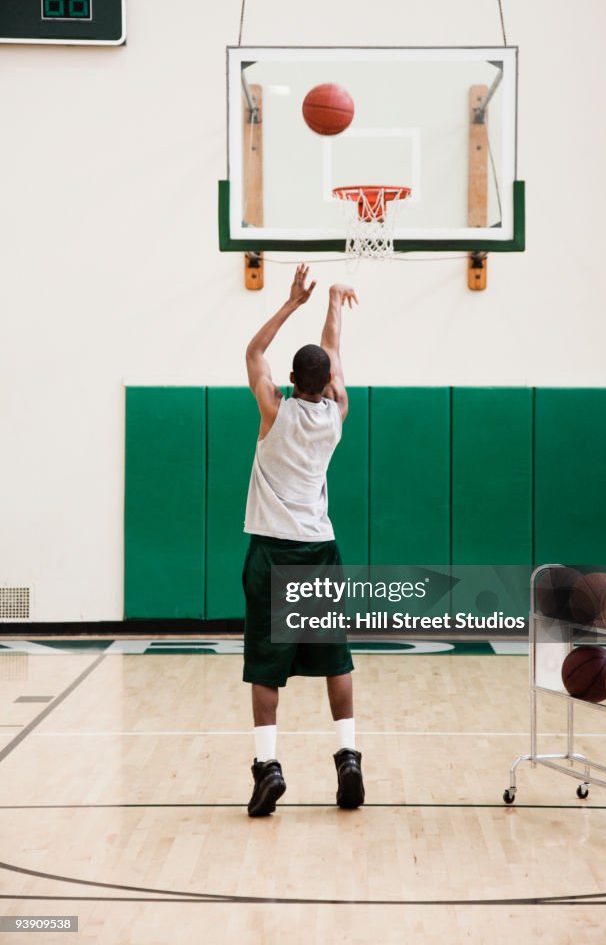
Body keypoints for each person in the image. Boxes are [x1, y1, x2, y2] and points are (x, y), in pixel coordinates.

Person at [242, 264, 363, 817]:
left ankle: (268, 768)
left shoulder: (273, 409)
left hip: (272, 552)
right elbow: (332, 355)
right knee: (336, 660)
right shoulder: (335, 417)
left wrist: (294, 301)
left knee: (267, 667)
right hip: (320, 552)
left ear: (291, 380)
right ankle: (348, 758)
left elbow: (253, 350)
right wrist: (335, 302)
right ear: (327, 385)